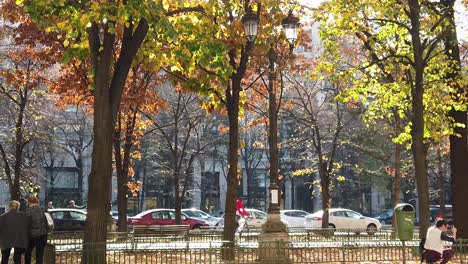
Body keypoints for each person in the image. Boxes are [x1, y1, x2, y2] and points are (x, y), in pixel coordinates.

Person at [25, 196, 49, 264]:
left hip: (31, 235)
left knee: (28, 252)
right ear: (37, 201)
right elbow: (48, 221)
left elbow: (26, 224)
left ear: (29, 202)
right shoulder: (43, 209)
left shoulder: (28, 211)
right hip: (43, 234)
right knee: (39, 255)